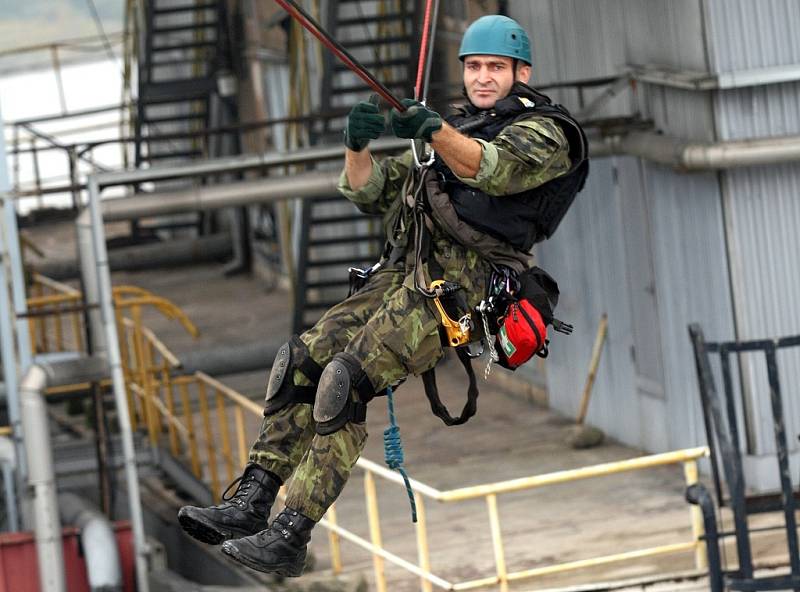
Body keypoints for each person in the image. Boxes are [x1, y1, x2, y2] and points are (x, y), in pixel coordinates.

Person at [177, 14, 587, 577]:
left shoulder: (548, 133)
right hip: (402, 275)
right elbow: (372, 190)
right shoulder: (460, 129)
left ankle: (292, 531)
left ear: (522, 71)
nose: (483, 77)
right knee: (299, 361)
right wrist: (358, 145)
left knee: (345, 381)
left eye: (496, 67)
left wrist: (434, 129)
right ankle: (252, 498)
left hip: (460, 288)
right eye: (474, 67)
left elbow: (491, 171)